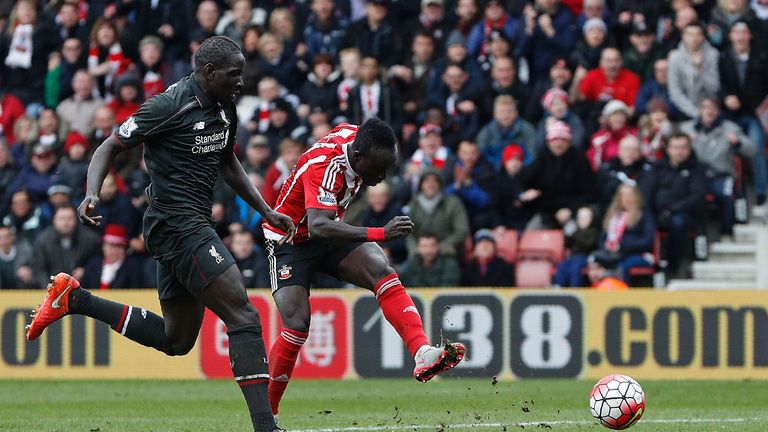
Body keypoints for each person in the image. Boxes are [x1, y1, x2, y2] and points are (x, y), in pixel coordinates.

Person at [26, 37, 295, 432]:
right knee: (243, 315)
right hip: (175, 225)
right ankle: (265, 427)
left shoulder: (224, 105)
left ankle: (75, 299)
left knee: (176, 340)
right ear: (209, 72)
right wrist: (90, 193)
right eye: (234, 74)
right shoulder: (168, 105)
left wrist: (266, 209)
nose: (241, 81)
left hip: (188, 224)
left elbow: (227, 160)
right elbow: (108, 147)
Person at [262, 120, 466, 421]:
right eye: (378, 169)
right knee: (297, 323)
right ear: (357, 157)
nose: (381, 177)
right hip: (290, 238)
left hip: (329, 228)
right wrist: (381, 233)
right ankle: (267, 417)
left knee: (381, 269)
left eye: (388, 168)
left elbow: (325, 223)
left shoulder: (357, 137)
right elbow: (317, 227)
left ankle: (423, 352)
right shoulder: (324, 168)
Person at [81, 224, 147, 289]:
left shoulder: (133, 268)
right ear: (103, 247)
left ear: (124, 249)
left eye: (118, 247)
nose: (113, 251)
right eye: (110, 246)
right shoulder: (93, 264)